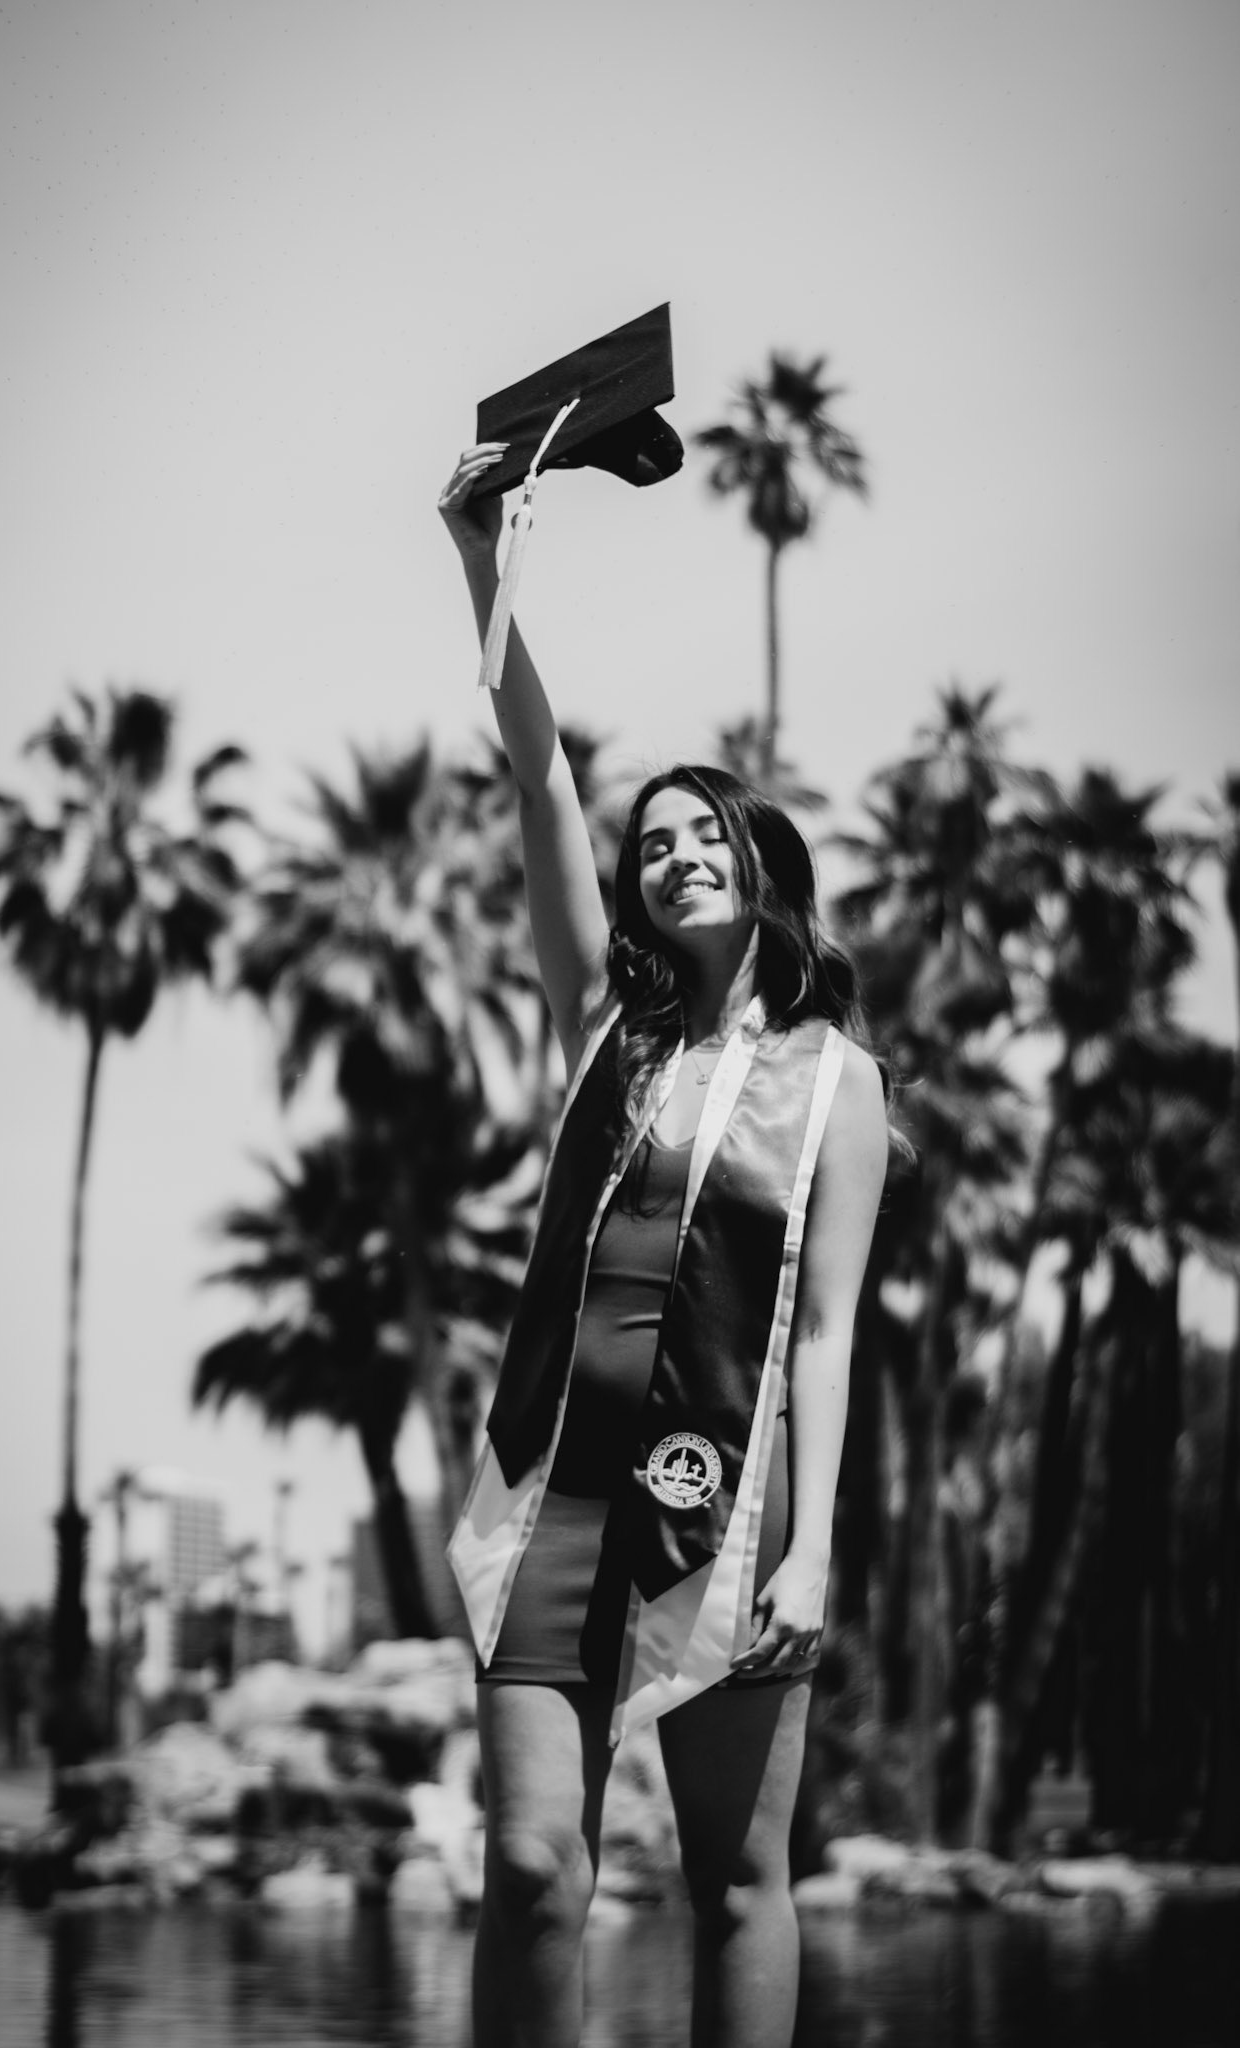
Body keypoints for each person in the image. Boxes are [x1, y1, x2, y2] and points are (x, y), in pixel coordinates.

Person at [438, 442, 889, 2048]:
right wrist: (483, 558)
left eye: (704, 835)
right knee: (530, 1865)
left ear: (758, 866)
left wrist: (812, 1545)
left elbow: (824, 1331)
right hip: (554, 1496)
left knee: (737, 1882)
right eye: (652, 844)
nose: (674, 854)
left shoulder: (835, 1084)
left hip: (729, 1508)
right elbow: (537, 781)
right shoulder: (600, 1031)